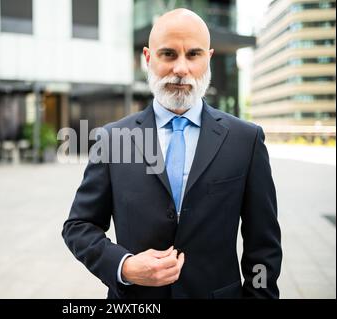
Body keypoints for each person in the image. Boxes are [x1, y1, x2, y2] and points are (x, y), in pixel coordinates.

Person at [62, 8, 282, 299]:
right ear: (148, 58)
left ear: (209, 59)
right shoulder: (111, 139)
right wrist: (124, 266)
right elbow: (79, 226)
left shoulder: (246, 140)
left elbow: (263, 246)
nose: (181, 68)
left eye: (193, 54)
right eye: (168, 54)